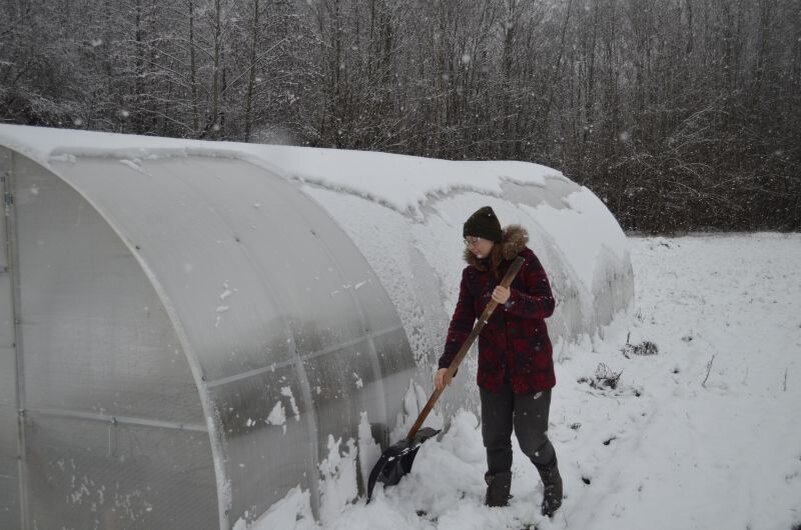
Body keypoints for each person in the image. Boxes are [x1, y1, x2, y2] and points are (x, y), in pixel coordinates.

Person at [434, 206, 562, 517]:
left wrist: (514, 300)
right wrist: (447, 362)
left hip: (531, 367)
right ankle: (498, 492)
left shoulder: (524, 262)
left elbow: (547, 305)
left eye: (475, 238)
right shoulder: (472, 276)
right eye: (467, 240)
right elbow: (462, 320)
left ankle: (552, 480)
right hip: (494, 370)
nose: (471, 245)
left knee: (531, 439)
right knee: (494, 436)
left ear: (492, 238)